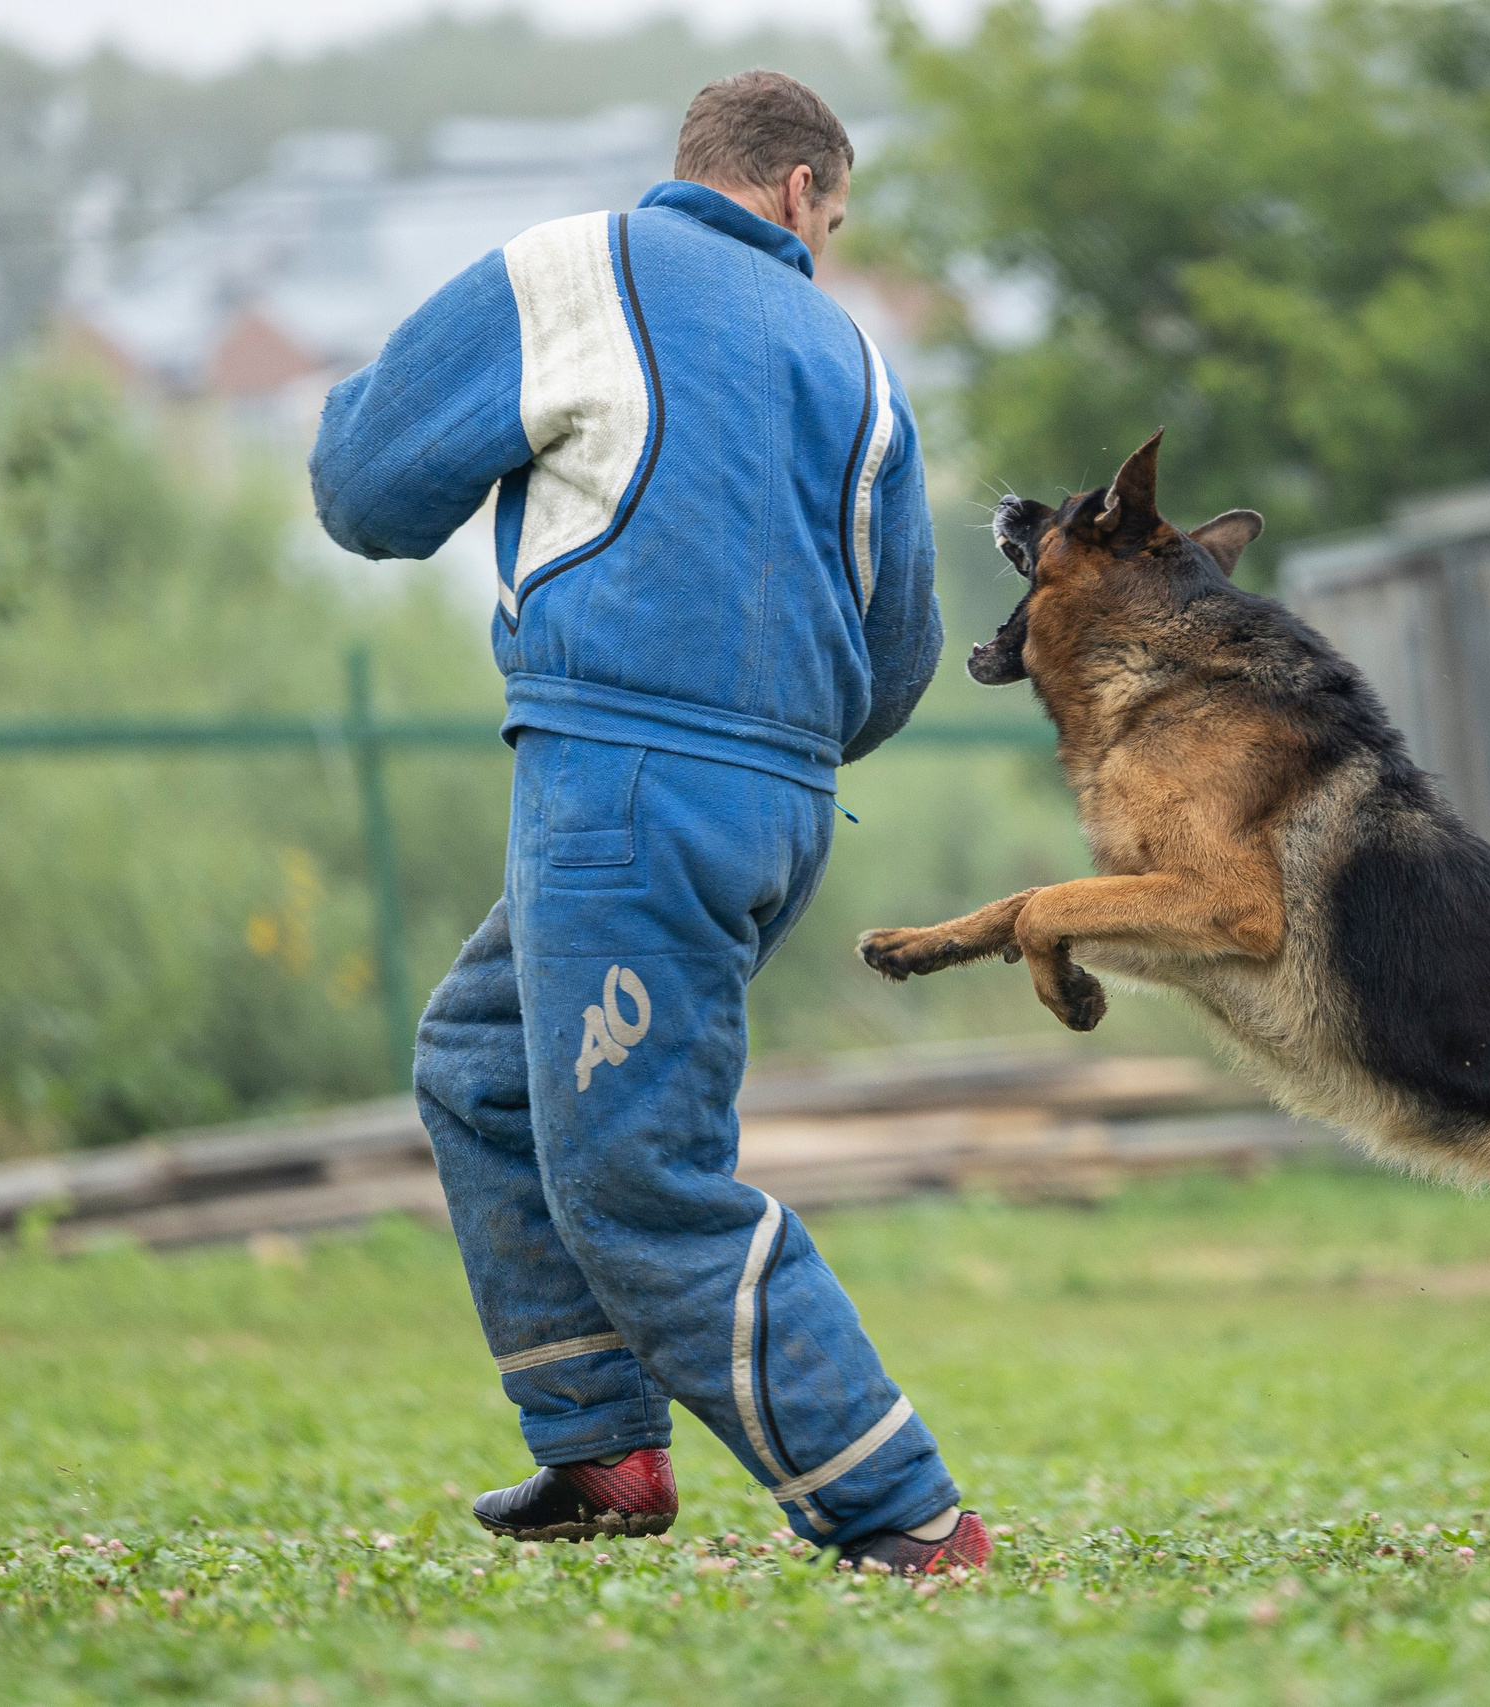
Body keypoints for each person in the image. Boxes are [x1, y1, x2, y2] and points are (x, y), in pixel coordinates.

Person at [307, 71, 985, 1574]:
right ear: (802, 193)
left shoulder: (569, 270)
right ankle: (599, 1447)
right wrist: (769, 750)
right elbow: (902, 646)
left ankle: (910, 1518)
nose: (830, 236)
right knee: (482, 1067)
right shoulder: (855, 358)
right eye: (838, 213)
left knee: (644, 1179)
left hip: (618, 790)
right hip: (782, 803)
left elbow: (363, 490)